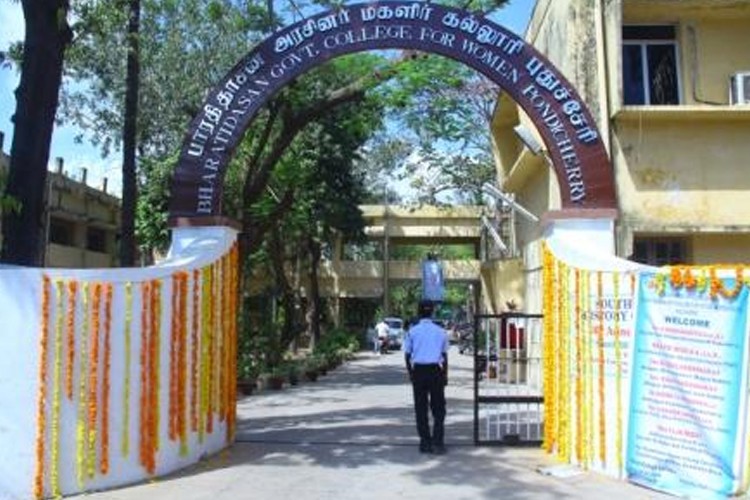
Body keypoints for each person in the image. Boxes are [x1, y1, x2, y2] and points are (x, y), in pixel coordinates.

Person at [404, 300, 448, 454]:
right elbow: (444, 355)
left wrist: (411, 374)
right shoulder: (441, 331)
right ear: (432, 312)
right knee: (439, 409)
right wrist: (445, 376)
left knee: (420, 408)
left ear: (419, 312)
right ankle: (438, 442)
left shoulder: (412, 331)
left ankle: (425, 442)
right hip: (436, 371)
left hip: (419, 372)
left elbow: (407, 355)